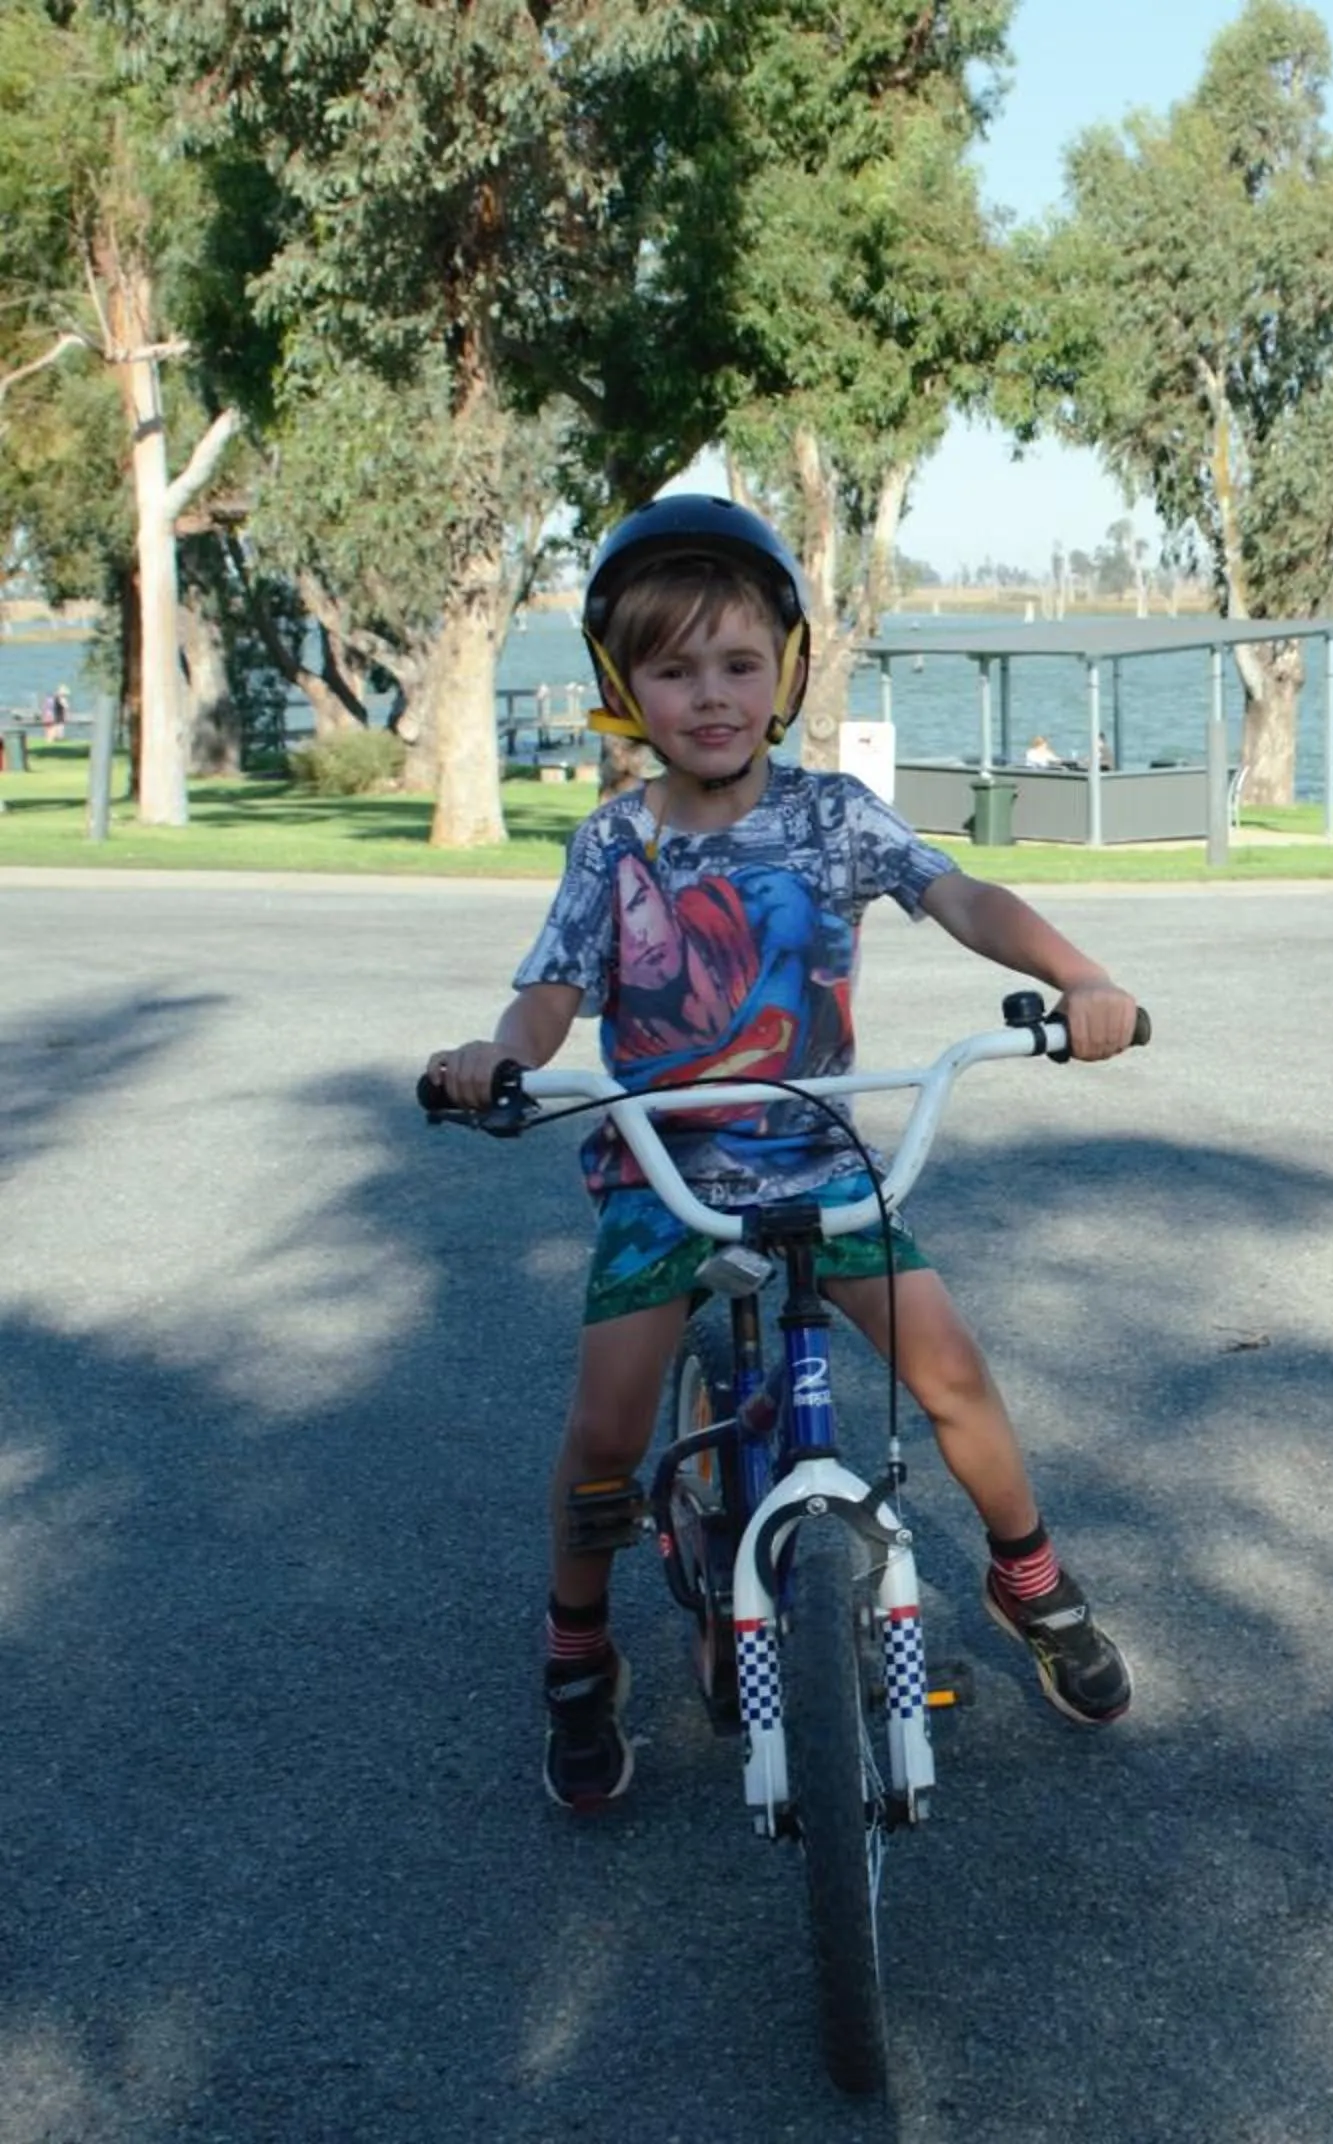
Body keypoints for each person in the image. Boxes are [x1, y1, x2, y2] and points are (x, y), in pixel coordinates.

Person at [423, 495, 1142, 1811]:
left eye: (739, 664)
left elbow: (962, 895)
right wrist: (501, 1057)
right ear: (620, 686)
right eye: (673, 668)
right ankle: (577, 1647)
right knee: (602, 1436)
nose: (710, 695)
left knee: (953, 1378)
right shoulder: (618, 842)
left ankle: (1027, 1572)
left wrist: (1079, 977)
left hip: (819, 1164)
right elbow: (549, 991)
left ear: (788, 672)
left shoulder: (835, 817)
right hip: (667, 1175)